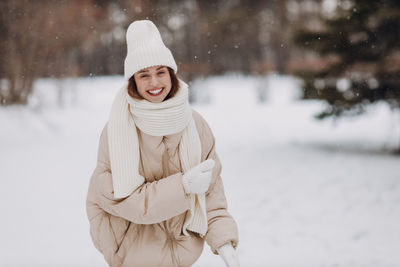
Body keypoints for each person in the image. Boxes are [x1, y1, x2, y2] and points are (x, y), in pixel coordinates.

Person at [86, 20, 239, 267]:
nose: (154, 83)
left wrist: (224, 240)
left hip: (183, 253)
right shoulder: (116, 130)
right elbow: (121, 200)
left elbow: (211, 193)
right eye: (143, 75)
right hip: (131, 253)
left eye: (160, 72)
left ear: (171, 74)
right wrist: (184, 186)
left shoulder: (195, 125)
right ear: (133, 81)